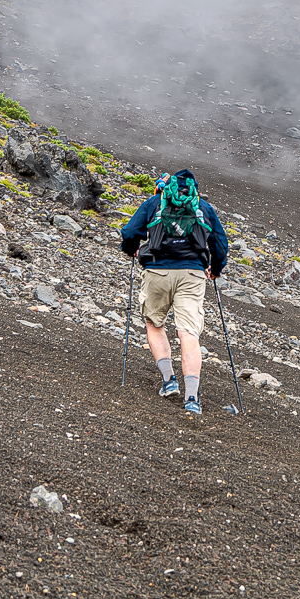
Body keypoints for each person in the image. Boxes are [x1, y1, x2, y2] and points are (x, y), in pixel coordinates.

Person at [120, 169, 228, 415]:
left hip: (157, 271)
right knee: (188, 334)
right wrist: (215, 269)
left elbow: (129, 233)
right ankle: (192, 398)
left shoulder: (155, 202)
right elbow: (221, 244)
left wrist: (132, 250)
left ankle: (169, 381)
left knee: (154, 323)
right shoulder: (202, 207)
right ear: (192, 187)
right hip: (192, 274)